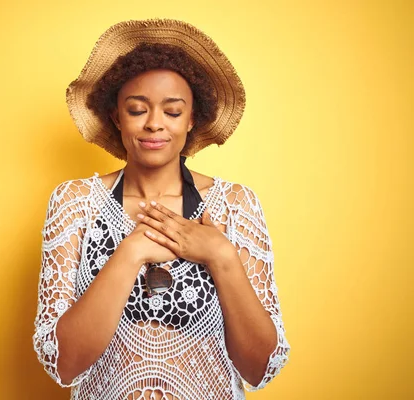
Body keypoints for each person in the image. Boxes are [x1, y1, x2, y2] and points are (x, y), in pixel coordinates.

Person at [33, 18, 290, 400]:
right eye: (137, 110)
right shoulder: (75, 203)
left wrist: (220, 254)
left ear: (191, 119)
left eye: (172, 112)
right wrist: (132, 252)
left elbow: (260, 368)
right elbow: (64, 363)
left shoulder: (235, 205)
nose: (154, 124)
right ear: (117, 116)